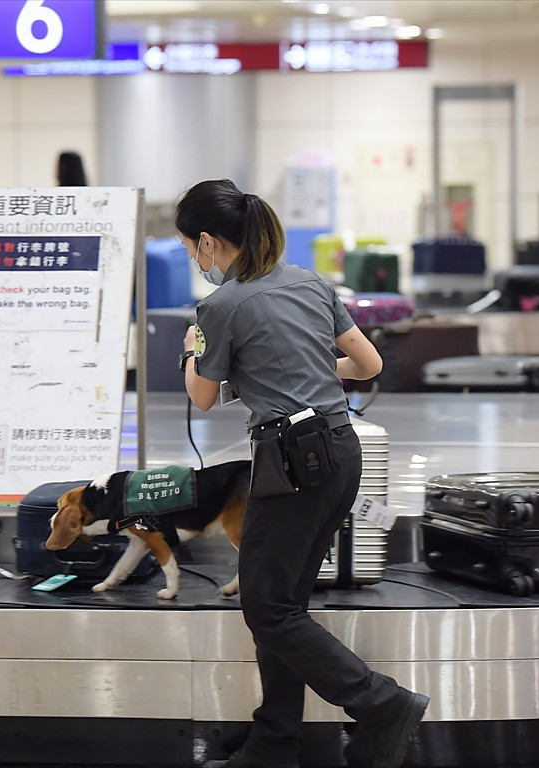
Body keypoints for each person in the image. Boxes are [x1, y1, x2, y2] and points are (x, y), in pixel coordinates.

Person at [176, 179, 429, 768]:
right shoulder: (311, 282)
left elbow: (204, 396)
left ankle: (381, 703)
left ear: (209, 242)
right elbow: (368, 364)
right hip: (341, 453)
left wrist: (193, 350)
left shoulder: (219, 306)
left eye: (192, 246)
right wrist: (303, 368)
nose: (193, 257)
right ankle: (273, 743)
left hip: (290, 463)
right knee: (283, 602)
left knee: (267, 608)